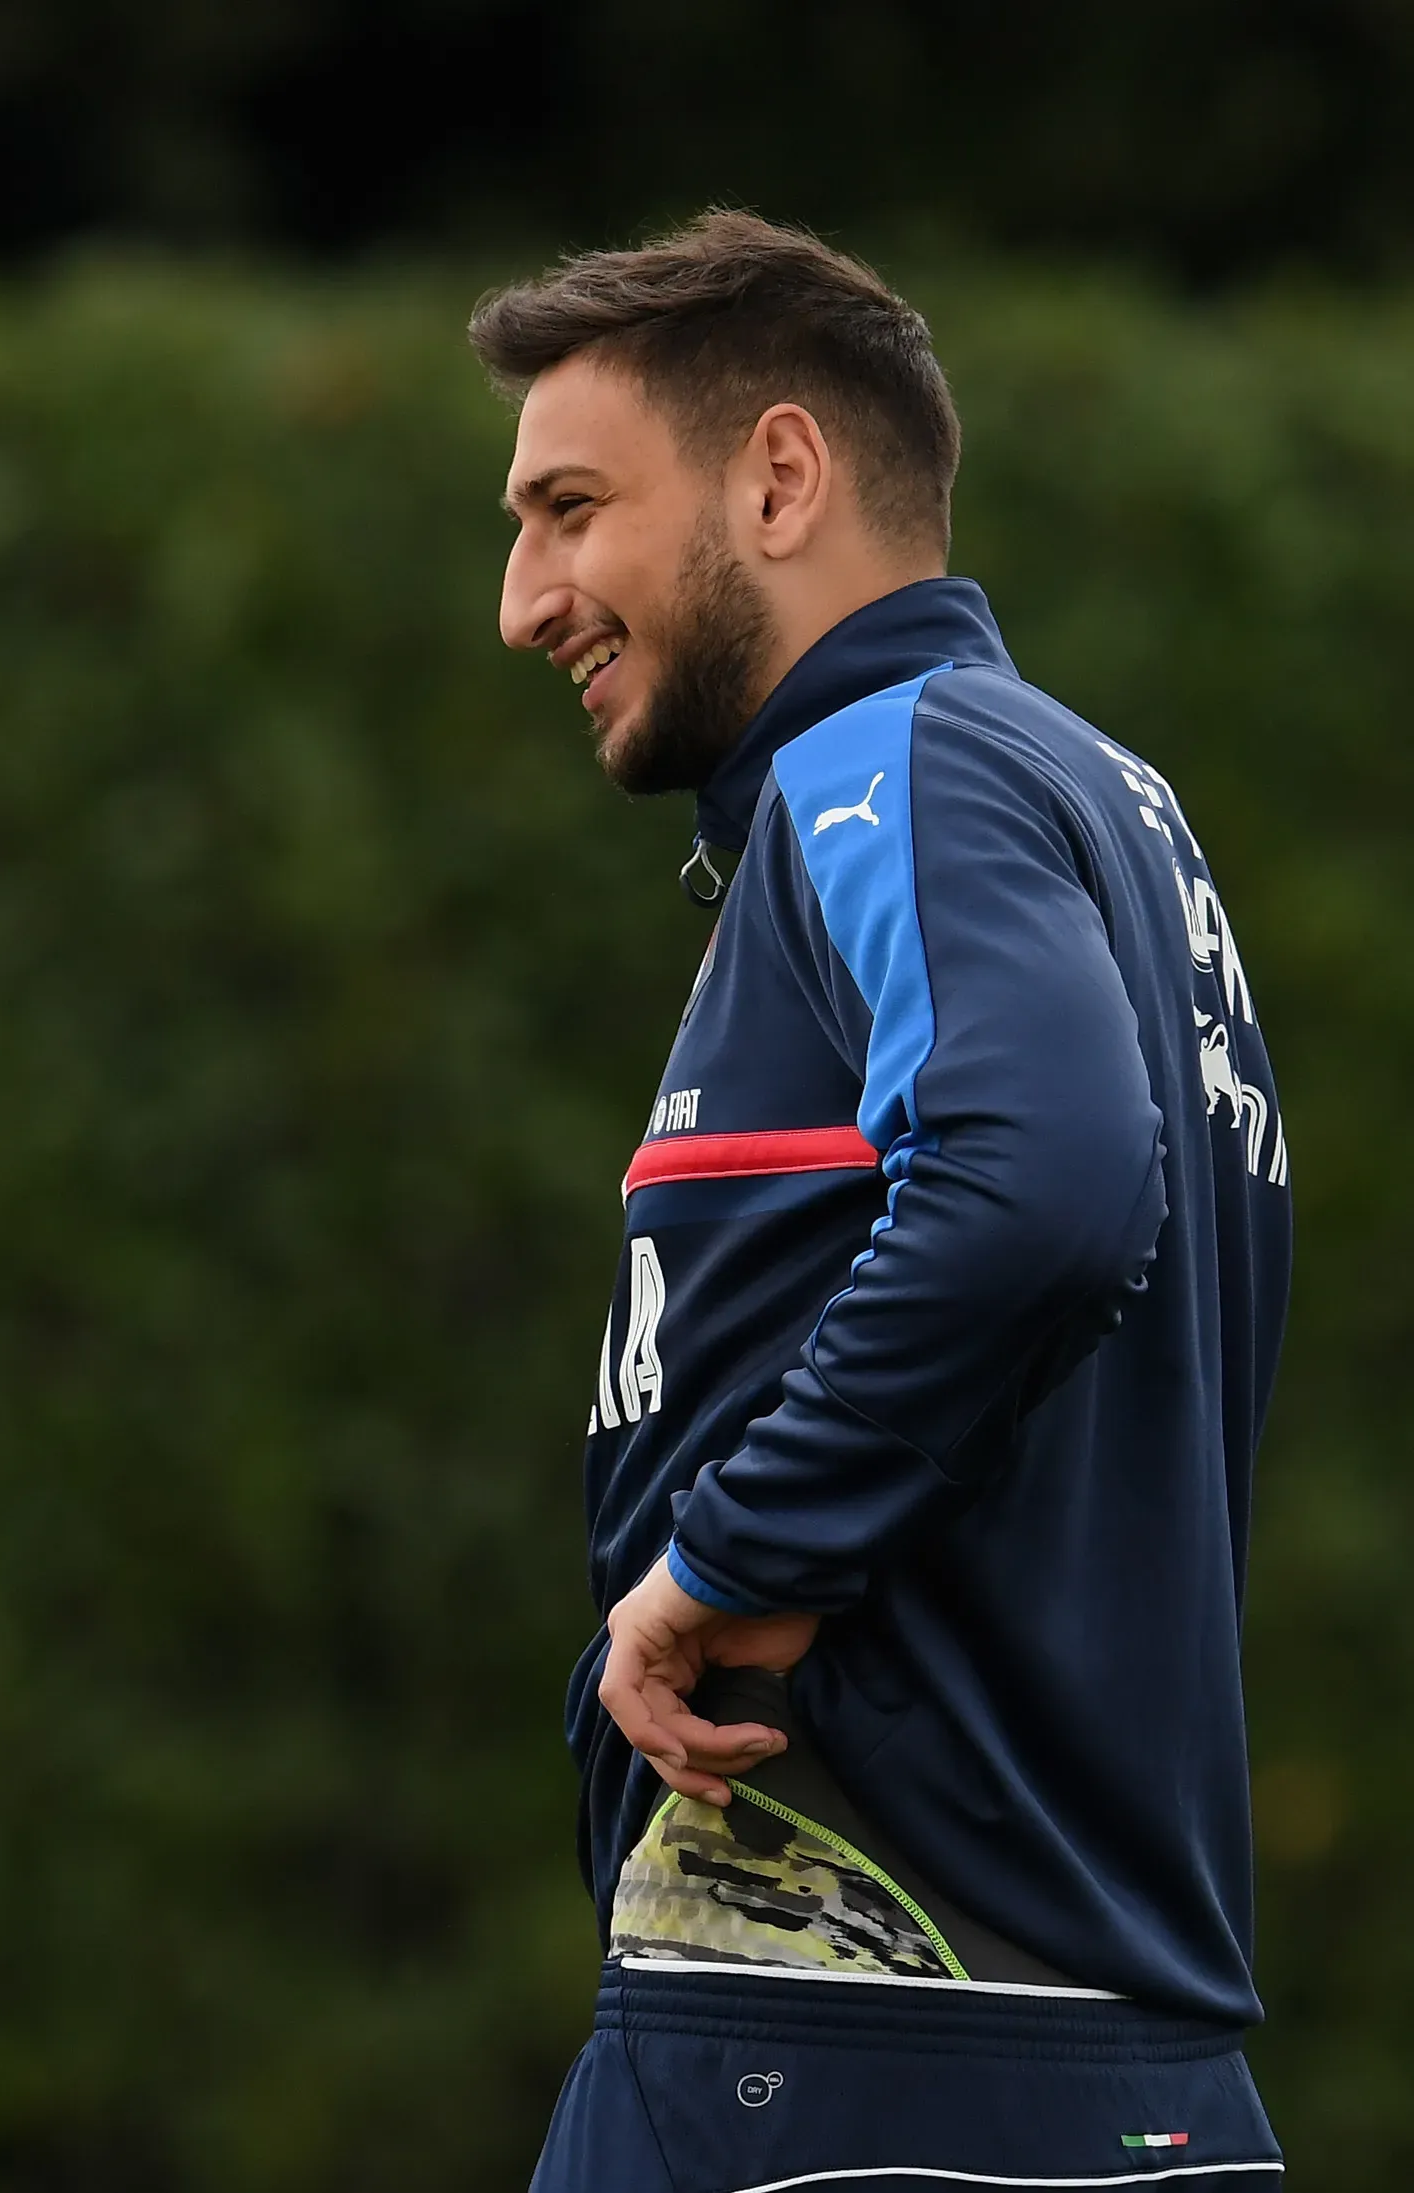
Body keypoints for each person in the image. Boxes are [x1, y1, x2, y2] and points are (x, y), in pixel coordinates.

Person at [481, 213, 1289, 2187]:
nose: (523, 602)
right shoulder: (1112, 801)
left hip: (845, 2059)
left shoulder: (884, 764)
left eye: (571, 510)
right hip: (1125, 2070)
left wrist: (721, 1561)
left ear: (779, 478)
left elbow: (1042, 1185)